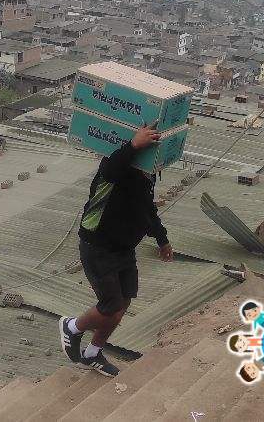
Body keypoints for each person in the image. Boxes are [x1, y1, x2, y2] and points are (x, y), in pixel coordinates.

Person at [59, 122, 173, 377]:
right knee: (111, 305)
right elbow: (111, 170)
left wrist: (162, 239)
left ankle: (93, 353)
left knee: (125, 300)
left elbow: (148, 208)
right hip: (98, 246)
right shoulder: (116, 166)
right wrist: (133, 145)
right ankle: (72, 327)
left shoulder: (146, 173)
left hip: (124, 249)